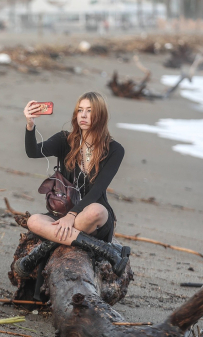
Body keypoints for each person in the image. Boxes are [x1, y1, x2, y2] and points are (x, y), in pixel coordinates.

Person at [14, 92, 130, 278]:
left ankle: (39, 252)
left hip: (92, 218)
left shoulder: (115, 150)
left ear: (100, 115)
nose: (83, 115)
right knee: (33, 221)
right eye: (80, 110)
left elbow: (98, 190)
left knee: (95, 211)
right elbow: (33, 152)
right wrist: (30, 124)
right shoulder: (65, 140)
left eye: (89, 111)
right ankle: (108, 252)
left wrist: (71, 216)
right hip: (62, 212)